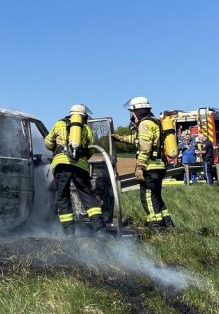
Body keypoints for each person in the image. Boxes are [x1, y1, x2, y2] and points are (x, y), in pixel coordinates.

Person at [112, 96, 175, 232]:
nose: (131, 115)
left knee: (148, 197)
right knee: (156, 197)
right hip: (158, 166)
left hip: (149, 167)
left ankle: (156, 227)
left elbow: (145, 147)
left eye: (132, 112)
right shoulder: (155, 122)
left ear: (137, 111)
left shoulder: (144, 124)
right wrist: (121, 138)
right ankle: (168, 225)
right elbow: (139, 140)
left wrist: (140, 166)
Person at [44, 104, 105, 237]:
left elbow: (48, 142)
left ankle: (69, 234)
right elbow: (92, 149)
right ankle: (99, 230)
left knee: (63, 197)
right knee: (87, 195)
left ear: (70, 114)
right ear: (84, 117)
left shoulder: (59, 124)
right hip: (81, 166)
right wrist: (82, 157)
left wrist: (56, 147)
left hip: (62, 164)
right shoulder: (87, 129)